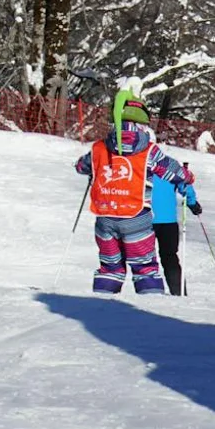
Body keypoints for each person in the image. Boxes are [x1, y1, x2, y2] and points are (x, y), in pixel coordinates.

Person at [74, 91, 194, 295]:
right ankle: (150, 308)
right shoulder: (148, 150)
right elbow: (171, 170)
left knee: (110, 266)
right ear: (143, 124)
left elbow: (81, 166)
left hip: (105, 218)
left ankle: (102, 304)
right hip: (136, 218)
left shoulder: (99, 148)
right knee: (144, 267)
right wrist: (187, 176)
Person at [147, 144, 202, 296]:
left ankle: (149, 291)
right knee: (170, 256)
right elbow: (185, 186)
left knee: (145, 258)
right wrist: (192, 203)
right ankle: (178, 293)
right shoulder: (171, 168)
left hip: (144, 218)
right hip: (167, 221)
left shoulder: (140, 165)